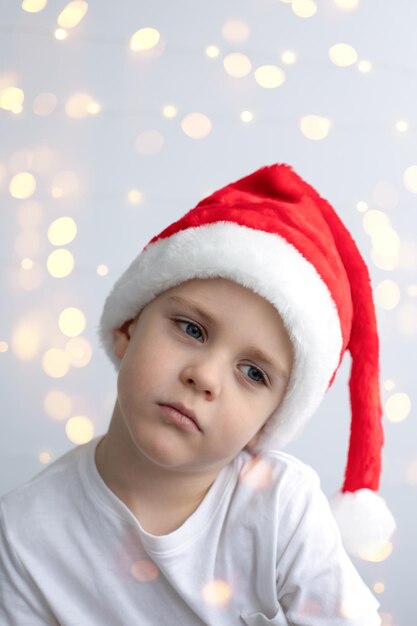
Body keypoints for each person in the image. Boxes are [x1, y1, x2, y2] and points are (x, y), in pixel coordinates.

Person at [0, 164, 396, 625]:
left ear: (268, 422)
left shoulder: (281, 508)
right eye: (191, 329)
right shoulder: (24, 532)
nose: (205, 376)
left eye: (253, 373)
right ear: (128, 329)